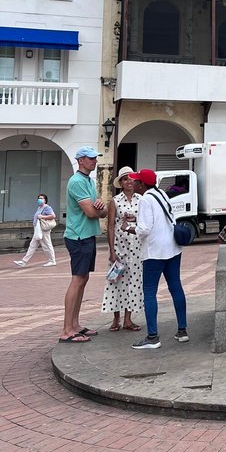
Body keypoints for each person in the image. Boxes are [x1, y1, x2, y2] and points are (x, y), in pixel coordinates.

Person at [127, 168, 188, 349]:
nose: (134, 183)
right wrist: (136, 219)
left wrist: (129, 228)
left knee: (149, 291)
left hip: (155, 251)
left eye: (136, 181)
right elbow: (161, 218)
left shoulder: (145, 199)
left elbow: (145, 229)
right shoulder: (160, 193)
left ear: (142, 184)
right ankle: (182, 330)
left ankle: (152, 336)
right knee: (175, 287)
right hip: (172, 247)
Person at [59, 147, 105, 344]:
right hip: (78, 236)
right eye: (91, 158)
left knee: (83, 279)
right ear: (81, 160)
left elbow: (99, 208)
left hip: (87, 235)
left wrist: (99, 208)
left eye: (95, 158)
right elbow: (92, 212)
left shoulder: (88, 181)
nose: (95, 161)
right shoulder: (77, 181)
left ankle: (75, 325)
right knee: (77, 280)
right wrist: (99, 210)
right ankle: (67, 330)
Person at [101, 166, 143, 332]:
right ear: (121, 182)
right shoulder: (115, 201)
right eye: (125, 179)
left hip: (137, 247)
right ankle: (115, 318)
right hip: (120, 247)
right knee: (116, 281)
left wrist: (135, 218)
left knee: (133, 282)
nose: (129, 182)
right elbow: (110, 226)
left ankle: (128, 319)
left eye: (131, 178)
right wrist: (112, 250)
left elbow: (146, 221)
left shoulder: (141, 199)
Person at [14, 192, 56, 267]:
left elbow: (53, 216)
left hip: (43, 229)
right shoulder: (39, 208)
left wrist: (42, 217)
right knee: (32, 245)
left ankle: (52, 260)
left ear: (45, 200)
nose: (39, 200)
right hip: (38, 229)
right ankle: (23, 261)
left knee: (46, 245)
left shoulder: (47, 207)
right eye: (39, 198)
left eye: (41, 198)